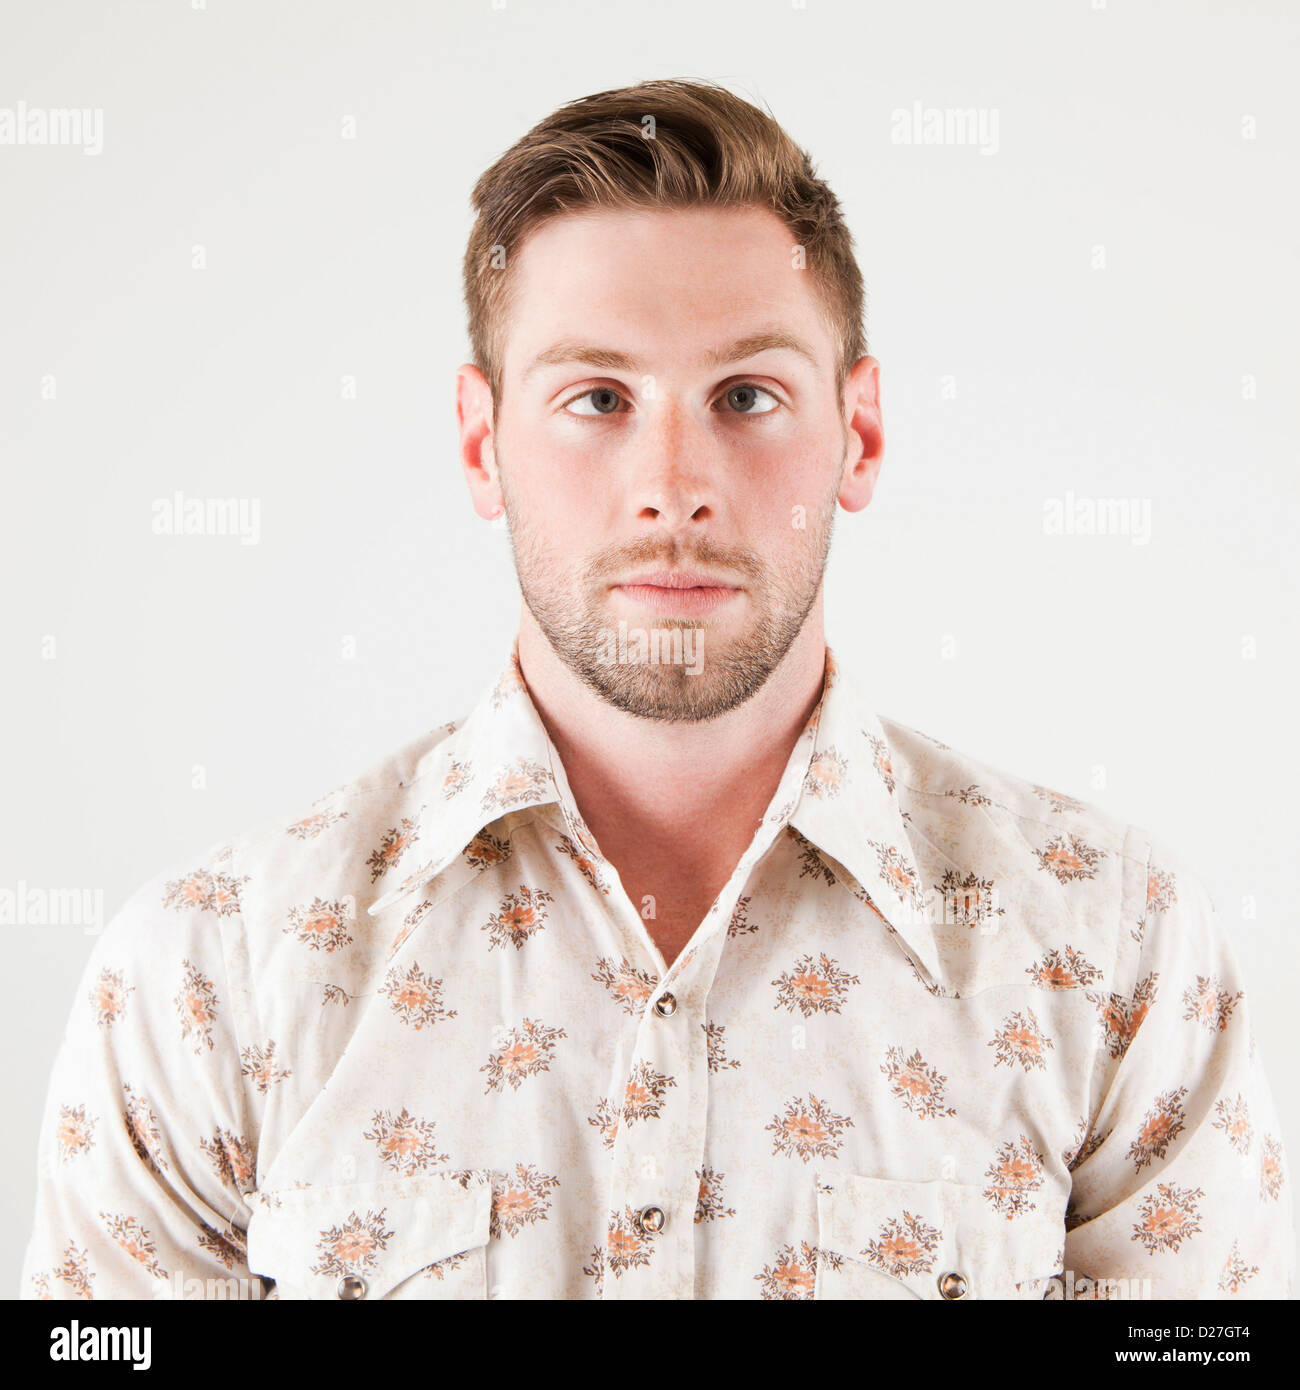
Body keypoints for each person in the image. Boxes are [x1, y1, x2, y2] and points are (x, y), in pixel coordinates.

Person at [21, 78, 1293, 1301]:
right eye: (597, 398)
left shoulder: (1117, 948)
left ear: (861, 432)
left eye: (746, 395)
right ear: (483, 443)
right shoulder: (208, 979)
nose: (671, 483)